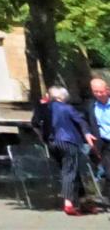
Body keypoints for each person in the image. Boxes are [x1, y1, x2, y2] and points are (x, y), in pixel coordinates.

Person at [44, 85, 96, 217]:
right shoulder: (68, 108)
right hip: (68, 141)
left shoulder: (46, 109)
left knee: (70, 170)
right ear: (62, 97)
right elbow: (81, 121)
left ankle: (84, 201)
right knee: (69, 172)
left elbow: (37, 123)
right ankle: (68, 204)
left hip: (53, 143)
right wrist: (87, 133)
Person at [90, 77, 110, 183]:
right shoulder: (92, 106)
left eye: (101, 91)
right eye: (95, 92)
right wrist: (87, 133)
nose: (98, 94)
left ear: (107, 90)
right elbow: (83, 121)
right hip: (105, 144)